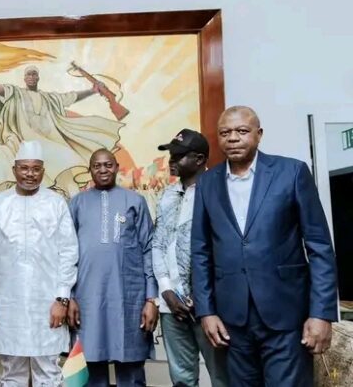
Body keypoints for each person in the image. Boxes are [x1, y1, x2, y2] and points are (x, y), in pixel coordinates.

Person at [192, 106, 338, 386]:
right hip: (231, 320)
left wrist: (321, 313)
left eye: (241, 131)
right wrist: (206, 311)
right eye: (225, 132)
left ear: (259, 134)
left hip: (286, 315)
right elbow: (200, 252)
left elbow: (319, 247)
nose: (233, 138)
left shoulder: (291, 172)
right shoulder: (207, 183)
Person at [0, 140, 78, 386]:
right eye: (24, 168)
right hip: (8, 303)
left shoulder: (56, 203)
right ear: (14, 170)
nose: (30, 174)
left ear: (43, 171)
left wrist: (62, 299)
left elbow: (68, 253)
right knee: (11, 373)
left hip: (48, 303)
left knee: (49, 373)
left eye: (35, 168)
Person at [0, 57, 126, 195]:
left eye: (34, 74)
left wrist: (93, 90)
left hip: (49, 142)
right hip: (24, 145)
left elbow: (72, 96)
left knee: (69, 161)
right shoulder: (15, 92)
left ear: (38, 78)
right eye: (28, 74)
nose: (31, 77)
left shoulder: (49, 98)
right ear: (24, 78)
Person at [68, 148, 158, 387]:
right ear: (90, 170)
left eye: (108, 165)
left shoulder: (135, 201)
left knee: (131, 366)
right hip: (87, 300)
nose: (103, 170)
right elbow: (65, 254)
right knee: (89, 367)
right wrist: (69, 297)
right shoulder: (77, 203)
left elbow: (149, 250)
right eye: (97, 165)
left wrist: (151, 299)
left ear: (117, 167)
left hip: (129, 298)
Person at [151, 129, 229, 387]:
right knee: (182, 380)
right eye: (171, 154)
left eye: (179, 155)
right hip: (172, 306)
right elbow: (158, 243)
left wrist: (203, 295)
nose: (171, 160)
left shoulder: (219, 192)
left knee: (223, 377)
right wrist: (166, 289)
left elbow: (223, 248)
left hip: (211, 306)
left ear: (199, 159)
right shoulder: (167, 195)